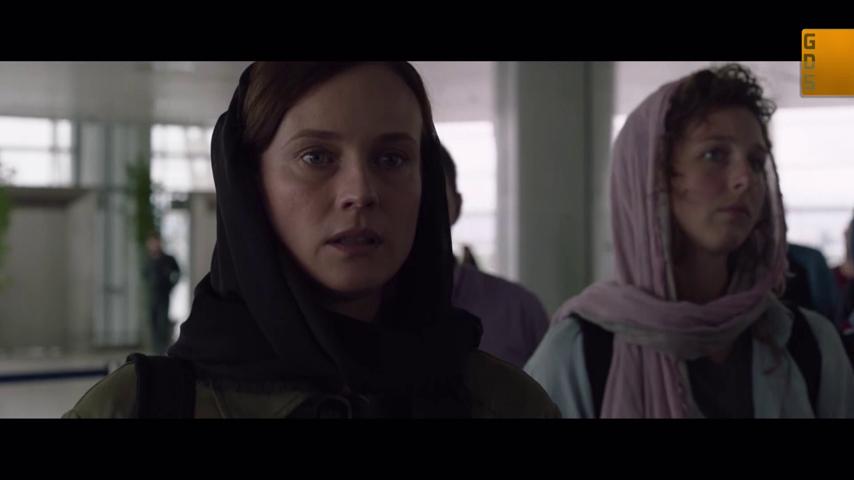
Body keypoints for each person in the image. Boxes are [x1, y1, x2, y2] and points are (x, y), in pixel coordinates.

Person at [64, 62, 559, 418]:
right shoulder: (139, 408)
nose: (360, 192)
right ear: (249, 184)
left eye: (391, 159)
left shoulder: (504, 403)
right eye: (316, 157)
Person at [525, 64, 854, 418]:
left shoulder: (807, 345)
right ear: (651, 178)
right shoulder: (579, 354)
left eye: (757, 161)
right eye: (714, 154)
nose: (745, 178)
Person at [440, 144, 550, 368]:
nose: (420, 211)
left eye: (433, 195)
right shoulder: (366, 309)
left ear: (457, 206)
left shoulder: (519, 310)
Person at [143, 232, 181, 354]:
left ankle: (163, 350)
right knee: (153, 323)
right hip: (152, 296)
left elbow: (178, 273)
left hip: (163, 295)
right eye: (151, 242)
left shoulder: (168, 259)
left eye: (155, 242)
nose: (154, 245)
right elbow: (144, 275)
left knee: (162, 323)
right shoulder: (148, 260)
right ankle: (155, 350)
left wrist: (170, 285)